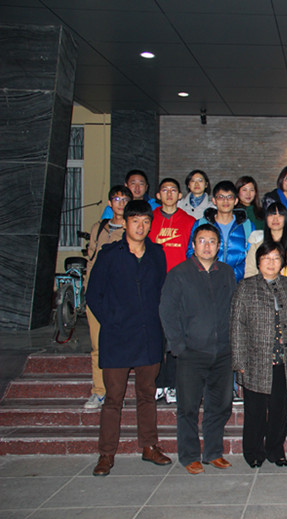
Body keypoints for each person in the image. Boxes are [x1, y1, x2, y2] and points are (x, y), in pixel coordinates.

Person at [85, 200, 170, 476]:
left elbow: (161, 291)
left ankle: (149, 446)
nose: (140, 226)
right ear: (125, 223)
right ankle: (106, 454)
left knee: (147, 395)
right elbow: (93, 295)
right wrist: (112, 321)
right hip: (117, 337)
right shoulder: (110, 254)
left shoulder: (157, 254)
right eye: (135, 221)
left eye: (145, 221)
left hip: (148, 336)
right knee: (113, 398)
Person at [159, 223, 237, 474]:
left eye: (212, 241)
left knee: (220, 406)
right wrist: (178, 346)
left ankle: (213, 452)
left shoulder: (226, 273)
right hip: (191, 353)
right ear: (193, 245)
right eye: (202, 241)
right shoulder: (179, 273)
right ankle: (189, 455)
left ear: (219, 246)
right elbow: (167, 311)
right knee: (188, 407)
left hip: (223, 352)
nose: (207, 246)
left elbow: (233, 308)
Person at [231, 241, 287, 469]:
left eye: (276, 258)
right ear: (258, 262)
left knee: (279, 410)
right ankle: (253, 451)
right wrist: (239, 360)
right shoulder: (246, 287)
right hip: (255, 359)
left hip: (284, 358)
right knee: (255, 411)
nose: (271, 263)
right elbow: (237, 325)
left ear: (282, 263)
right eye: (266, 258)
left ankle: (275, 449)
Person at [83, 185, 132, 409]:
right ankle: (99, 391)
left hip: (121, 298)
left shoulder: (133, 229)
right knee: (97, 346)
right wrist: (87, 290)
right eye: (117, 199)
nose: (120, 203)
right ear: (110, 203)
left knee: (120, 345)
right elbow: (90, 261)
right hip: (97, 296)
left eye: (125, 200)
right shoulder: (99, 228)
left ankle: (116, 392)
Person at [149, 178, 196, 405]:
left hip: (179, 286)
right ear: (158, 195)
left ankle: (173, 384)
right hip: (153, 285)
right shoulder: (149, 219)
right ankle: (158, 383)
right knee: (156, 336)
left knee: (176, 336)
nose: (169, 194)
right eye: (164, 190)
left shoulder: (189, 221)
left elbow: (191, 254)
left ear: (180, 196)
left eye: (173, 190)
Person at [187, 180, 254, 282]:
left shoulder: (247, 226)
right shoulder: (201, 223)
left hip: (238, 282)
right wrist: (208, 273)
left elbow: (251, 256)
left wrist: (231, 275)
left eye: (229, 197)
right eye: (221, 197)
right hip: (206, 281)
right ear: (214, 201)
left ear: (236, 201)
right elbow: (191, 252)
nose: (225, 201)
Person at [245, 202, 287, 283]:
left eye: (280, 215)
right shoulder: (257, 243)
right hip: (260, 288)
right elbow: (250, 271)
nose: (275, 219)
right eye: (271, 215)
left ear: (286, 218)